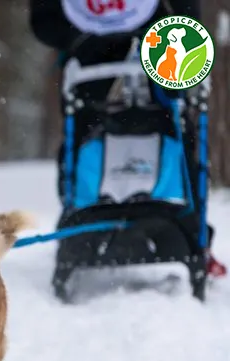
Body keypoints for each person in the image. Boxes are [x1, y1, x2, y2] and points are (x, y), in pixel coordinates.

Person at [29, 0, 226, 278]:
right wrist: (72, 36)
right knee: (86, 127)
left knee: (174, 124)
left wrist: (187, 29)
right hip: (87, 31)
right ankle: (79, 224)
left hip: (150, 23)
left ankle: (192, 233)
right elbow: (43, 21)